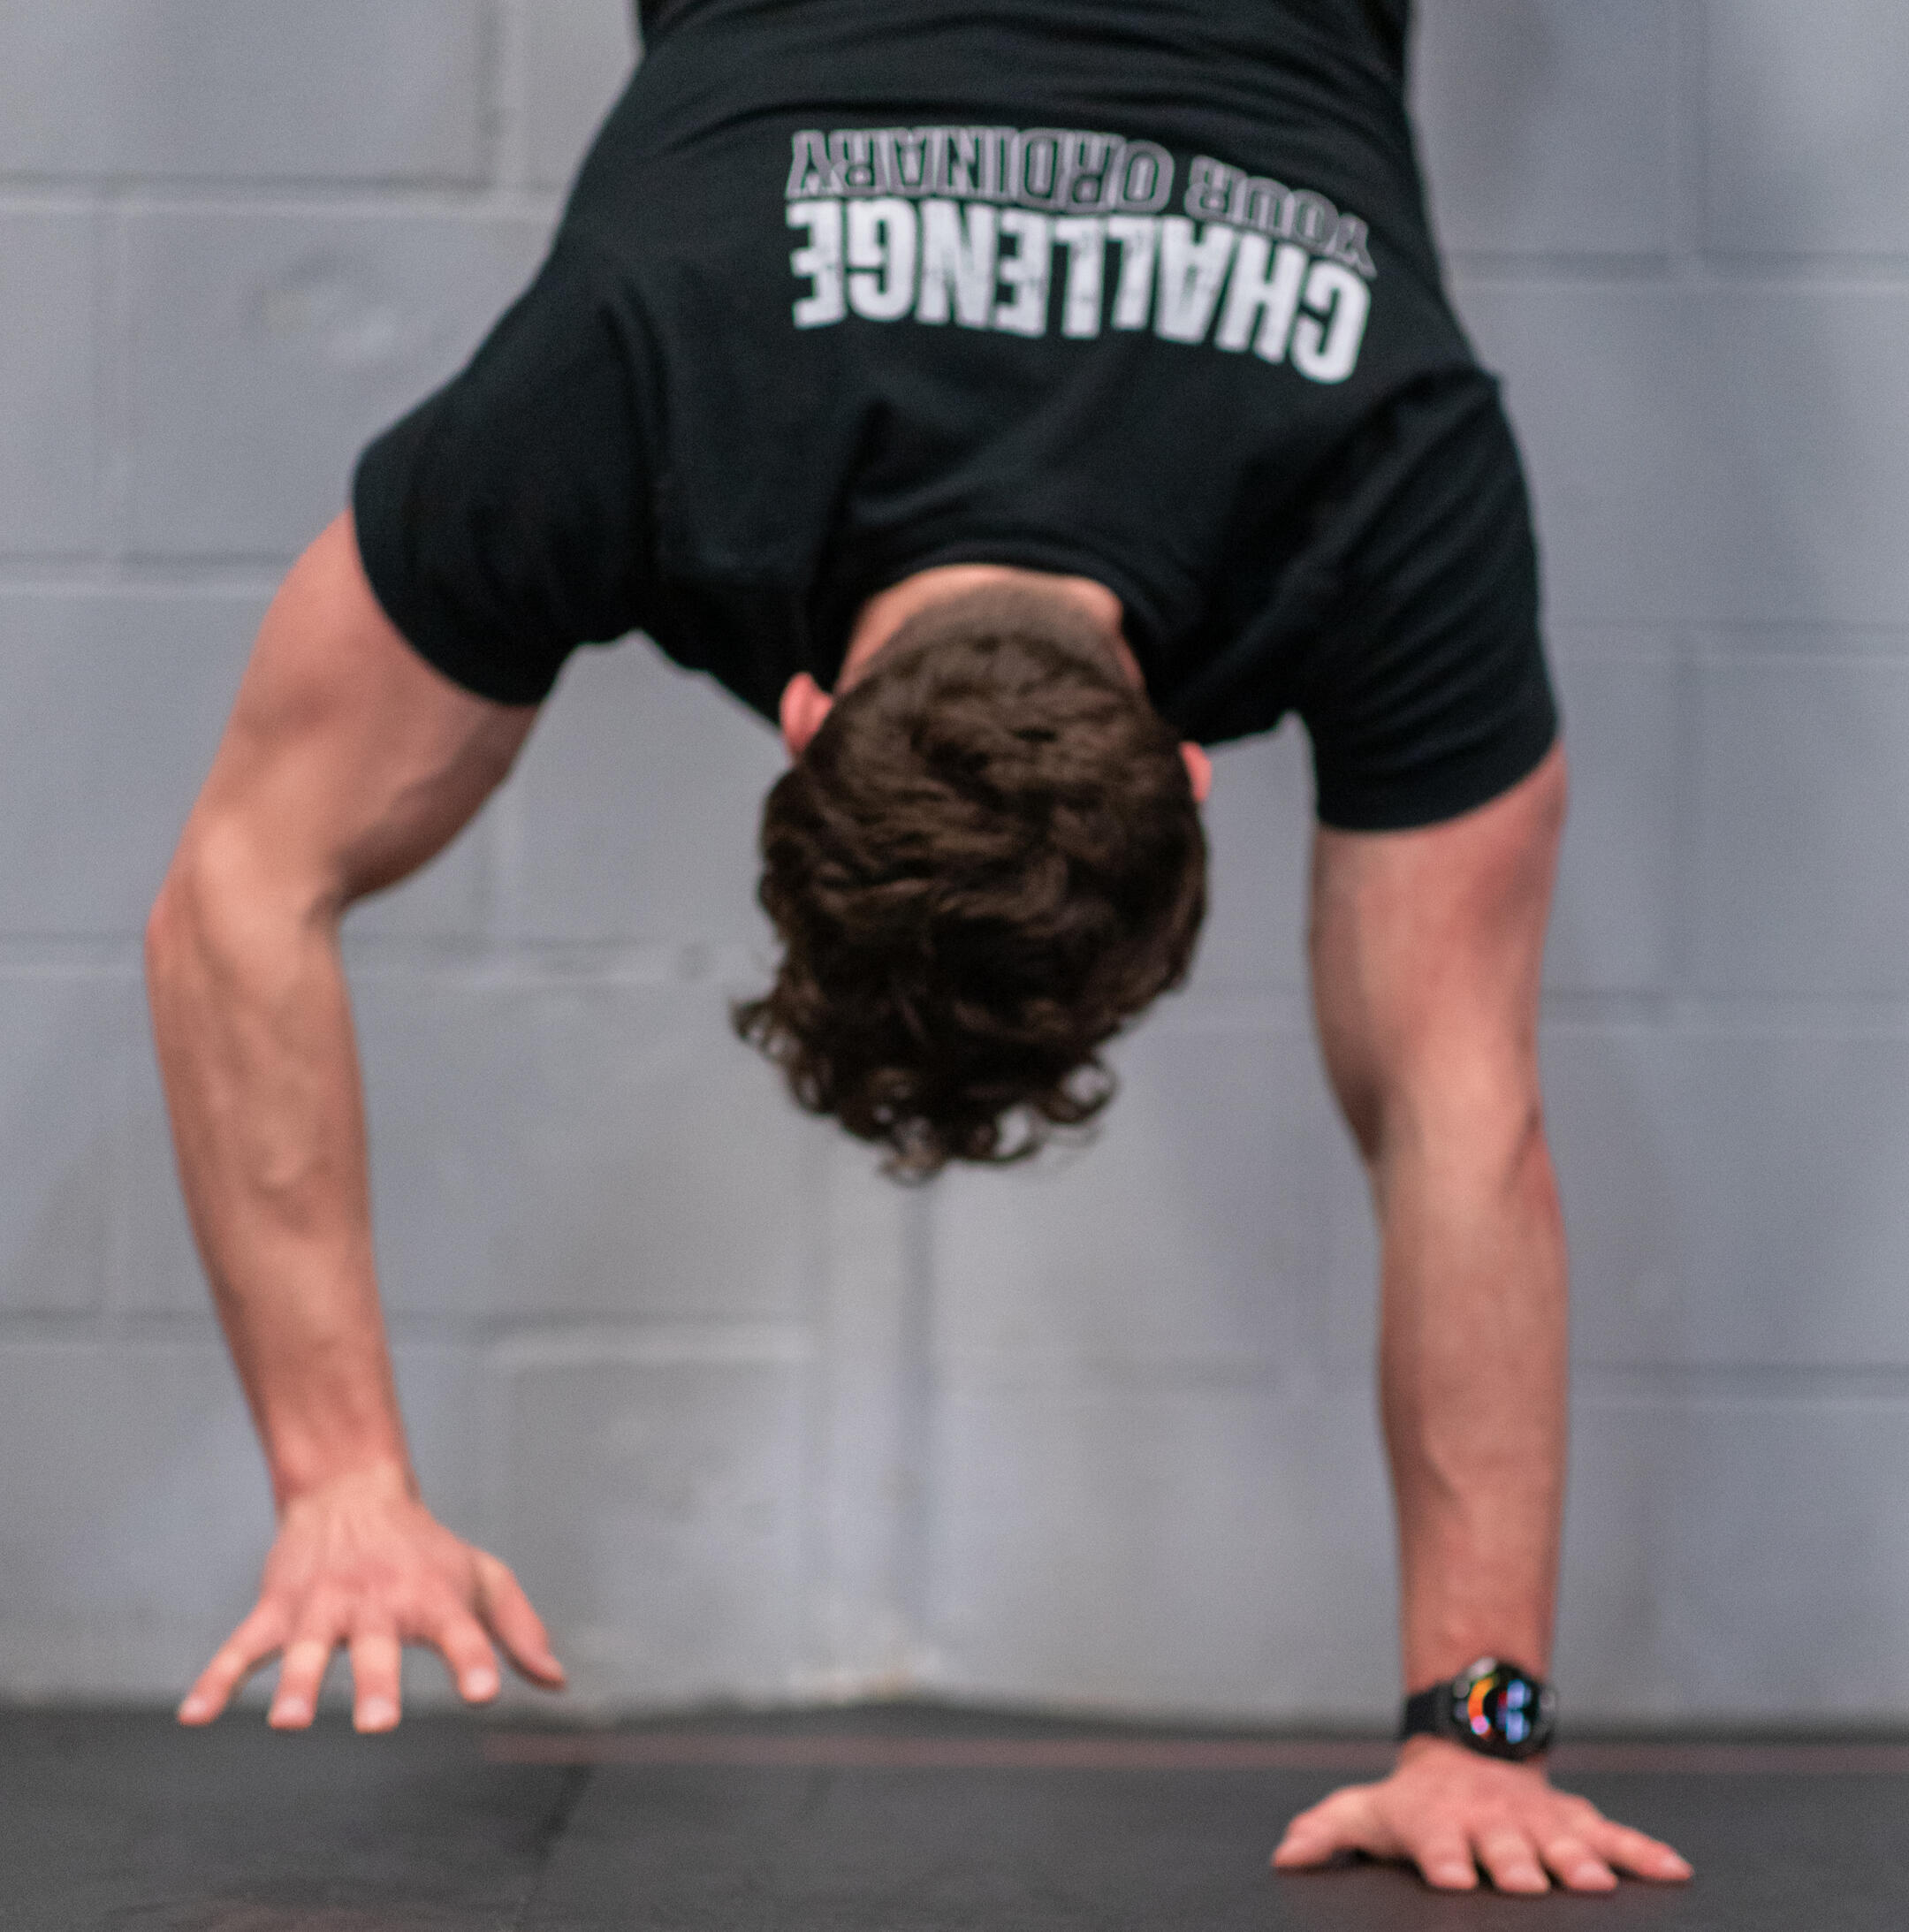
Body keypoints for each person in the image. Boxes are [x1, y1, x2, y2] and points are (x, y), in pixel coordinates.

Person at [144, 0, 1692, 1898]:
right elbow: (1461, 1114)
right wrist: (336, 1484)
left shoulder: (1389, 452)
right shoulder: (640, 360)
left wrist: (344, 1467)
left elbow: (248, 879)